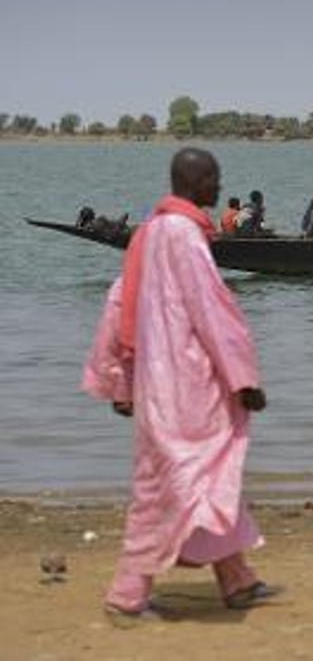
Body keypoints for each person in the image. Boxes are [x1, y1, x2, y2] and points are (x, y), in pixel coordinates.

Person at [81, 148, 277, 625]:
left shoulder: (147, 233)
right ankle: (127, 596)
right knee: (170, 485)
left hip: (156, 381)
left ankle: (237, 579)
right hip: (186, 387)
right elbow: (211, 312)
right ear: (201, 181)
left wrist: (120, 380)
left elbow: (117, 303)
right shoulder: (185, 236)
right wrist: (243, 378)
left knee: (204, 477)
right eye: (215, 179)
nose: (218, 187)